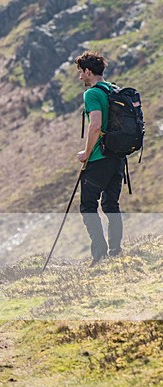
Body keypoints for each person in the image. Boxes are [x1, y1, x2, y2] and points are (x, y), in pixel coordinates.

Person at [75, 50, 125, 266]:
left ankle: (99, 255)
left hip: (99, 158)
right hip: (118, 158)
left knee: (88, 205)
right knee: (111, 204)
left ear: (88, 71)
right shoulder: (113, 89)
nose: (79, 77)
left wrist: (86, 153)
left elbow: (95, 125)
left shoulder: (93, 94)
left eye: (80, 72)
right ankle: (115, 251)